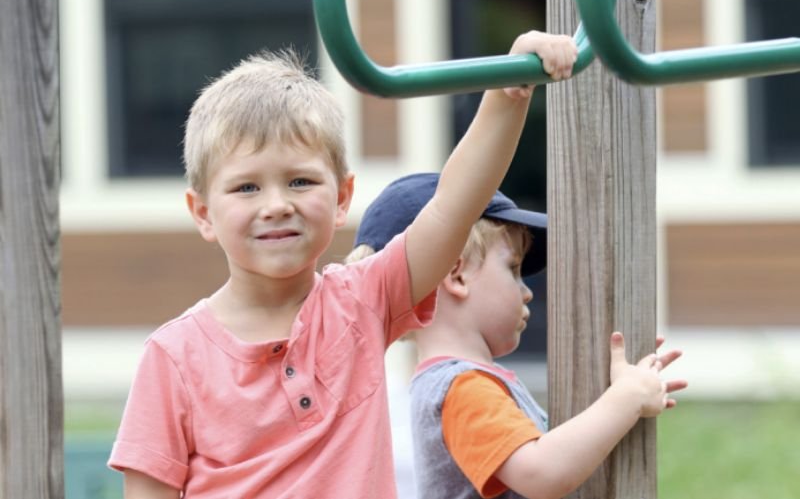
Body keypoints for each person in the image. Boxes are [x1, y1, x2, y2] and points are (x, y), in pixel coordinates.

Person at [107, 30, 578, 499]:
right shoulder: (173, 357)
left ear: (342, 198)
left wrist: (508, 94)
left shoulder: (364, 301)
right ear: (204, 213)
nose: (276, 205)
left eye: (300, 181)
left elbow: (454, 207)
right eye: (247, 188)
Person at [347, 172, 688, 499]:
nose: (526, 292)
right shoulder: (461, 388)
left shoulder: (460, 383)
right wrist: (626, 399)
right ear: (457, 275)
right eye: (513, 269)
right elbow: (542, 473)